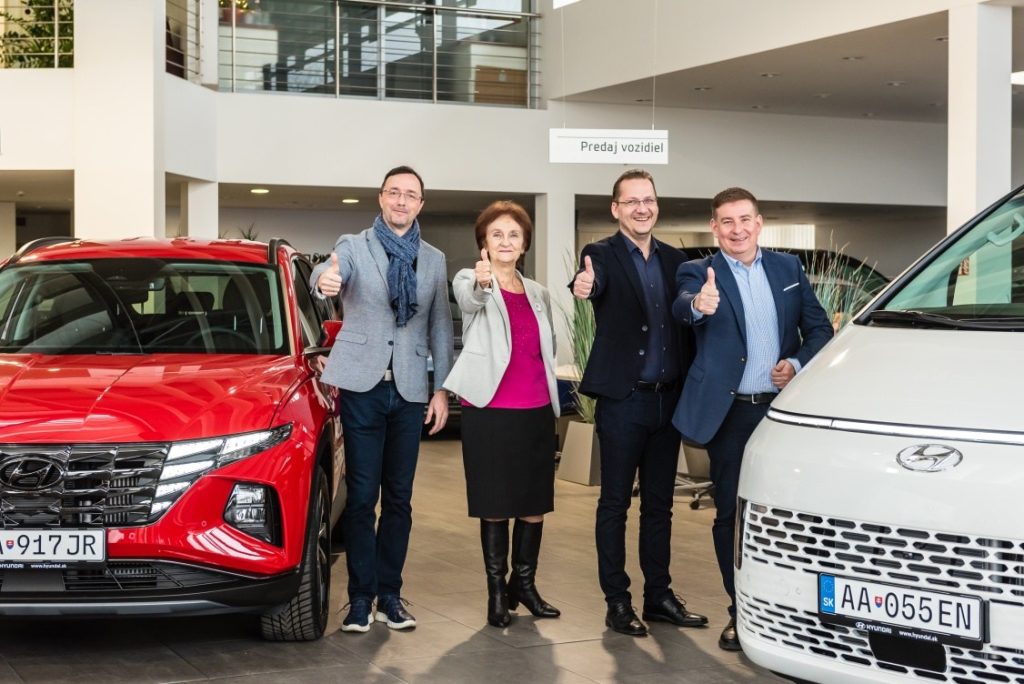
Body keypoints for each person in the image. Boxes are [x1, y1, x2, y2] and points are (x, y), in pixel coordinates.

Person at [671, 186, 834, 651]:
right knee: (732, 514)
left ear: (759, 223)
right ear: (714, 227)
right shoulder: (696, 271)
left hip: (781, 414)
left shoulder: (788, 268)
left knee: (790, 514)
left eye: (745, 220)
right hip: (731, 415)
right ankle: (740, 612)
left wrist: (796, 363)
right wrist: (698, 305)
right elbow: (684, 307)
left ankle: (792, 609)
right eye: (727, 221)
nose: (737, 229)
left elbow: (820, 329)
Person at [311, 165, 454, 633]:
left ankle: (390, 595)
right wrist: (324, 280)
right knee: (360, 498)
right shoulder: (355, 246)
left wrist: (441, 389)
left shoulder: (432, 259)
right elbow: (328, 272)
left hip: (410, 390)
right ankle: (359, 599)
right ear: (381, 198)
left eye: (410, 194)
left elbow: (439, 326)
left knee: (399, 499)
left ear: (420, 204)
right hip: (362, 388)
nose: (401, 201)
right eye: (394, 192)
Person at [570, 169, 708, 637]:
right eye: (631, 201)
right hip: (624, 400)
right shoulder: (600, 254)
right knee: (614, 505)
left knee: (659, 507)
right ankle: (617, 601)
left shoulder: (677, 260)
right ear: (616, 209)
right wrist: (583, 286)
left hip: (668, 402)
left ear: (656, 205)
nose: (641, 208)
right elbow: (589, 283)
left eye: (648, 200)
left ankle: (658, 596)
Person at [443, 200, 561, 628]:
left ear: (524, 243)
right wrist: (481, 283)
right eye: (497, 235)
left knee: (534, 503)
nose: (506, 241)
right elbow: (468, 300)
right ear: (484, 244)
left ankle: (523, 585)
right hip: (489, 410)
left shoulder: (538, 293)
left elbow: (546, 347)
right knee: (494, 503)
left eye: (514, 234)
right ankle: (496, 593)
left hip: (537, 409)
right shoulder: (471, 279)